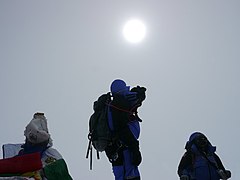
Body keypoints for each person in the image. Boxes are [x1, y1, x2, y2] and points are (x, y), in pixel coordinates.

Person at [0, 112, 72, 180]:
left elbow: (60, 171)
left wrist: (42, 173)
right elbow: (11, 167)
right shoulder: (21, 154)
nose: (30, 144)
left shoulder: (50, 153)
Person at [105, 79, 146, 180]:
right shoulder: (119, 103)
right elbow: (122, 129)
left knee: (120, 176)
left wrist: (138, 95)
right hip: (124, 150)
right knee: (130, 176)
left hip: (117, 152)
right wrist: (135, 147)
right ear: (121, 90)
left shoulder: (114, 104)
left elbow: (133, 101)